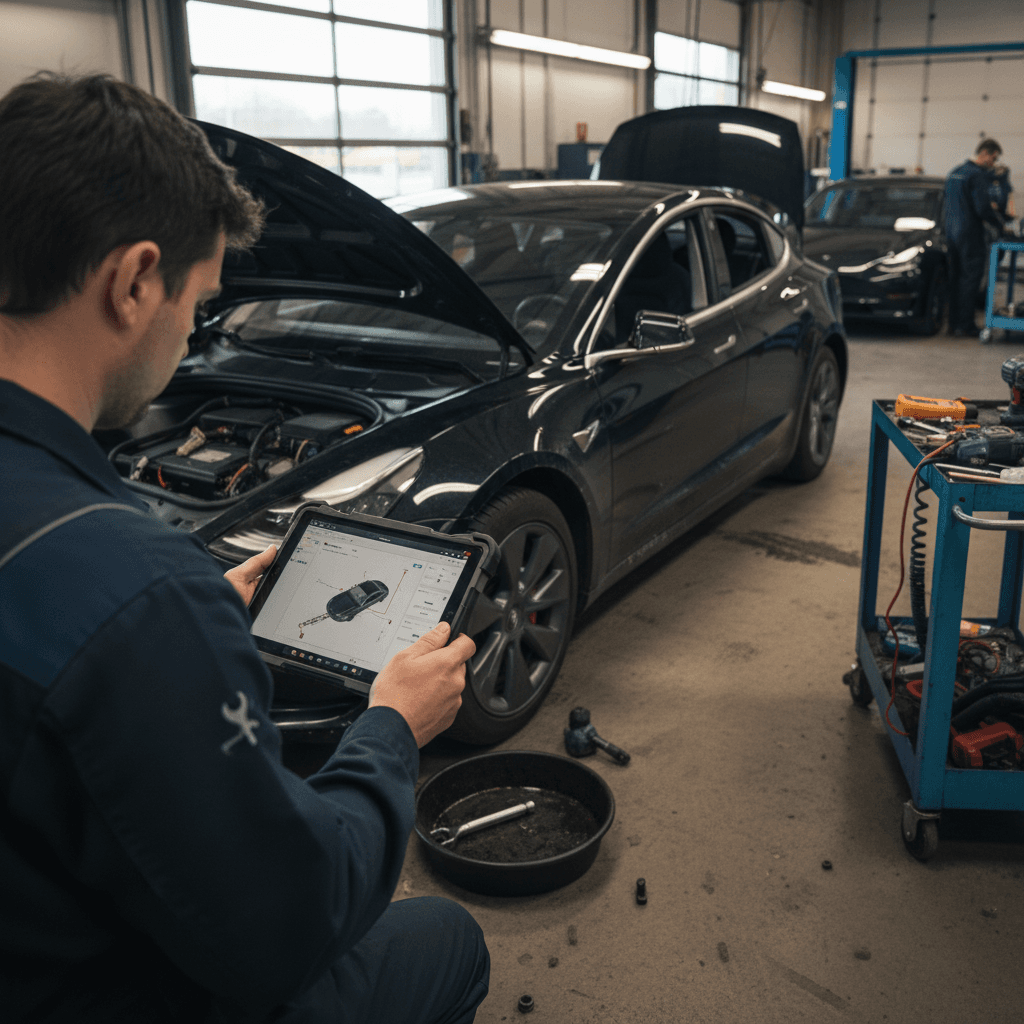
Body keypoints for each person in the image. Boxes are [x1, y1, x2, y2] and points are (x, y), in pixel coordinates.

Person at [0, 73, 488, 1023]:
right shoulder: (138, 598)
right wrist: (391, 728)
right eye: (201, 299)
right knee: (445, 938)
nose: (193, 332)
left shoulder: (135, 601)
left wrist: (178, 634)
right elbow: (290, 925)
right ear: (135, 281)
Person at [944, 138, 1006, 336]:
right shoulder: (977, 176)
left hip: (951, 233)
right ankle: (966, 325)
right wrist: (1001, 225)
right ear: (986, 154)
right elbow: (983, 209)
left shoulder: (954, 172)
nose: (993, 164)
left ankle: (953, 324)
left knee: (955, 279)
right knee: (970, 280)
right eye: (993, 158)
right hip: (970, 234)